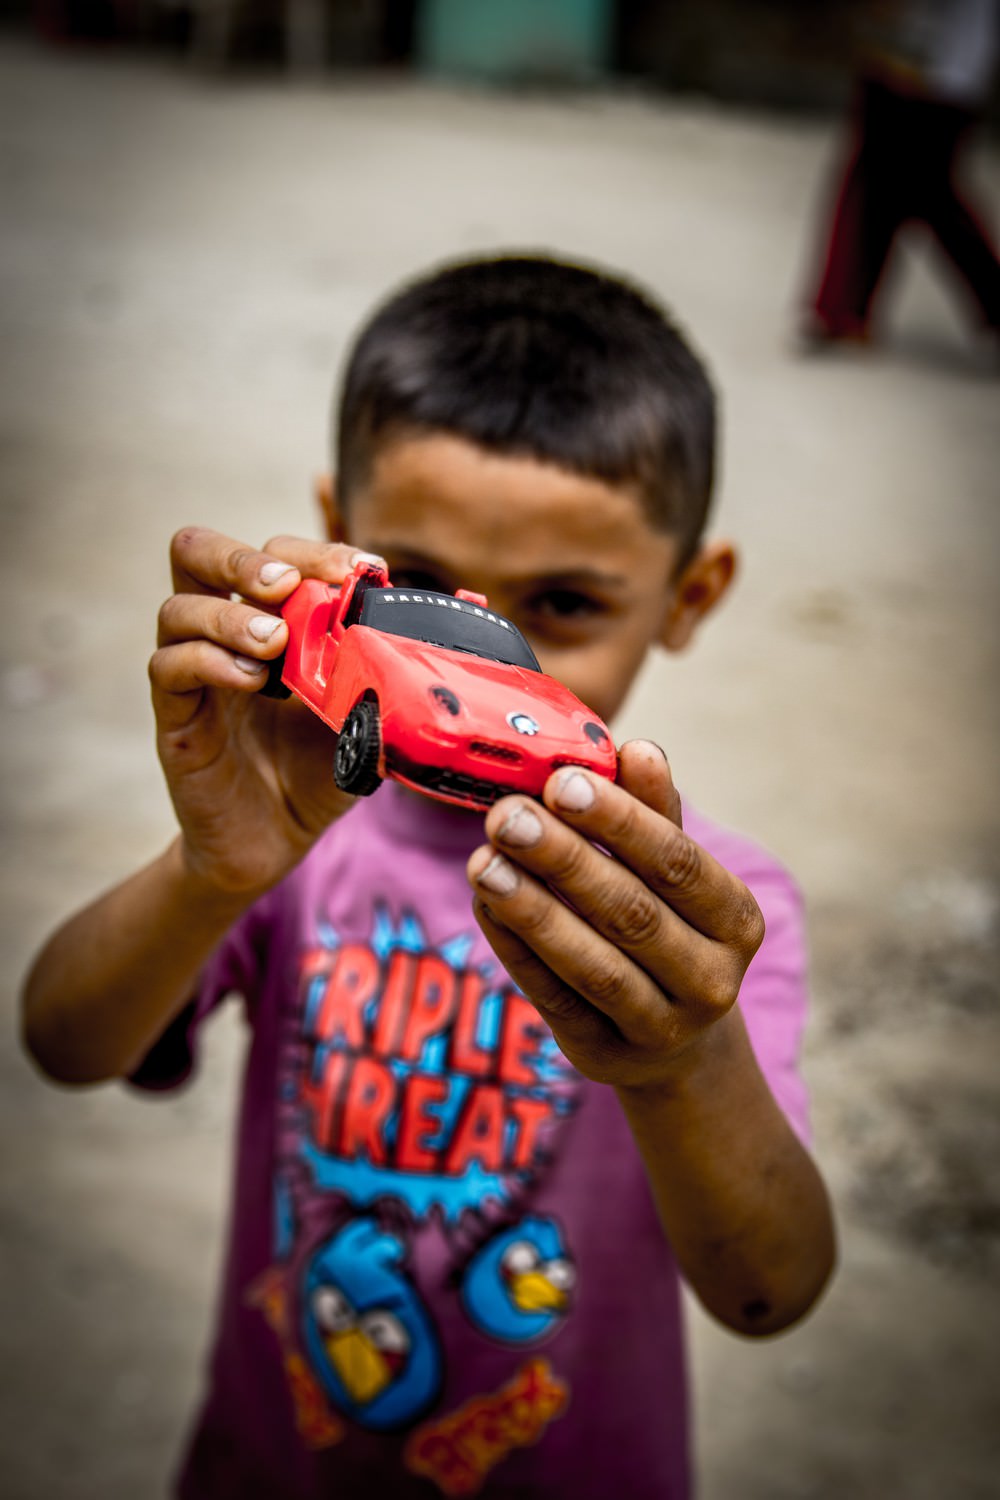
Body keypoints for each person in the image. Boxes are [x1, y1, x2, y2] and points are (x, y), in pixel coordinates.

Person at [22, 255, 835, 1499]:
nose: (503, 657)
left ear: (689, 595)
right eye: (408, 582)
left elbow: (771, 1287)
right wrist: (209, 871)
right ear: (334, 529)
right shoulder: (300, 830)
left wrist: (683, 1059)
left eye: (563, 606)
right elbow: (63, 1041)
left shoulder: (709, 906)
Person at [803, 0, 1000, 349]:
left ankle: (845, 309)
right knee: (909, 192)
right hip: (922, 61)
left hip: (928, 66)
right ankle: (846, 310)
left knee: (910, 193)